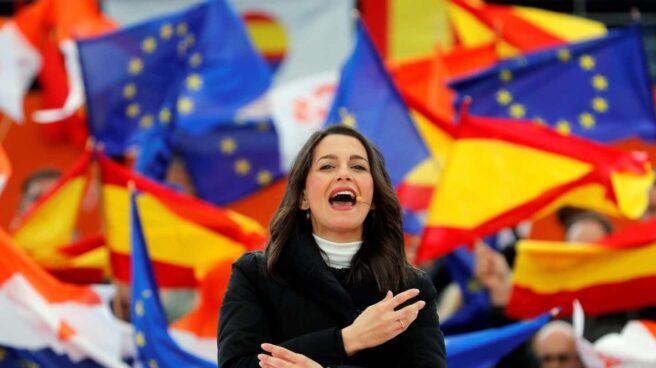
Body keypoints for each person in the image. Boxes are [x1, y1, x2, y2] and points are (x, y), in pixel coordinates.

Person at [218, 125, 446, 367]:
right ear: (303, 198)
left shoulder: (410, 289)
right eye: (327, 166)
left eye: (358, 166)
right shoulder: (256, 274)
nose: (344, 174)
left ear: (374, 200)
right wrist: (347, 340)